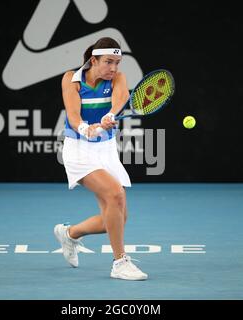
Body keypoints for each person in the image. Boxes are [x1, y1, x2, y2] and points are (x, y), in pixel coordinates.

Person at [54, 37, 148, 281]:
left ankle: (70, 233)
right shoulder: (71, 78)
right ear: (93, 60)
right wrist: (86, 129)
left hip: (106, 150)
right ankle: (120, 263)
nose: (114, 68)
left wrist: (110, 115)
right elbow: (73, 114)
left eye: (117, 62)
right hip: (78, 150)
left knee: (115, 219)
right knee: (116, 194)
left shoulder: (117, 78)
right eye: (108, 62)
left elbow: (121, 97)